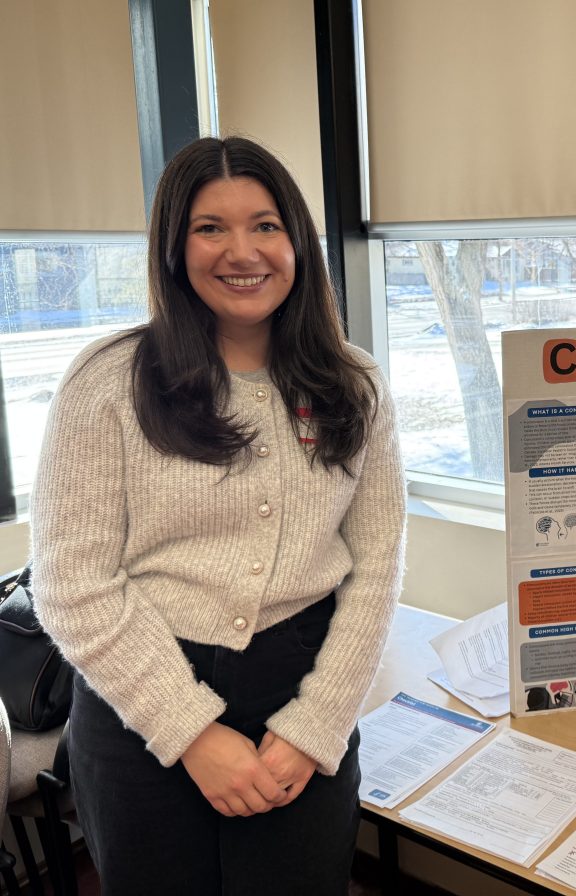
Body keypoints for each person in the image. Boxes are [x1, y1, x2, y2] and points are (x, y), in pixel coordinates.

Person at [30, 136, 406, 894]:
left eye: (266, 225)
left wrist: (315, 727)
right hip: (143, 699)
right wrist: (191, 731)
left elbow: (376, 572)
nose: (244, 251)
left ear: (296, 239)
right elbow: (72, 584)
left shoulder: (354, 384)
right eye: (211, 228)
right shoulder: (108, 384)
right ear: (175, 246)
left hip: (302, 689)